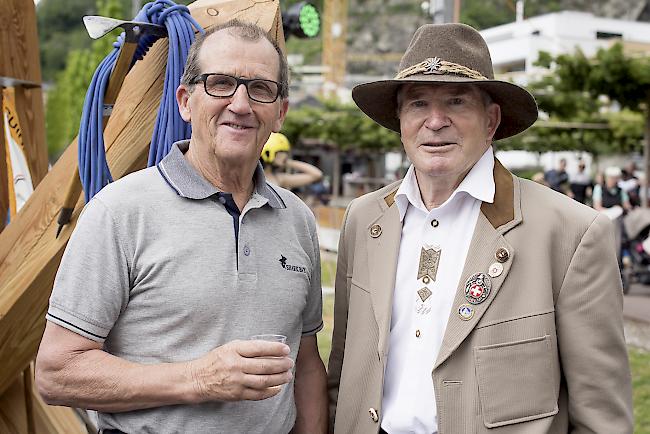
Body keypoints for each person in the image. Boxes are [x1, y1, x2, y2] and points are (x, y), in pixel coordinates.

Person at [327, 23, 632, 434]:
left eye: (456, 101)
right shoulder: (364, 219)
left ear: (491, 121)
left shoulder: (572, 234)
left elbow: (601, 419)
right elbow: (342, 370)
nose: (435, 122)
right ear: (399, 121)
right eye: (418, 104)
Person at [35, 21, 327, 434]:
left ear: (279, 113)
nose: (241, 105)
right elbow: (56, 373)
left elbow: (308, 362)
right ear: (186, 101)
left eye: (260, 89)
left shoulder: (297, 220)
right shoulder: (120, 212)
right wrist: (199, 378)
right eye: (220, 83)